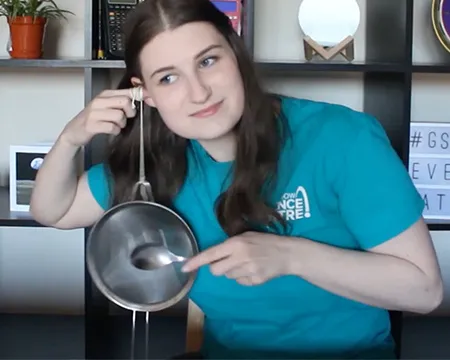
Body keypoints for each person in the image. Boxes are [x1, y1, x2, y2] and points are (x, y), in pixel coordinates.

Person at [30, 0, 443, 359]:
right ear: (146, 94)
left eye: (208, 61)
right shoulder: (157, 165)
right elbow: (54, 209)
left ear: (235, 54)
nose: (199, 93)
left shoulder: (343, 139)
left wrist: (290, 256)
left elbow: (424, 291)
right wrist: (71, 137)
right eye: (168, 78)